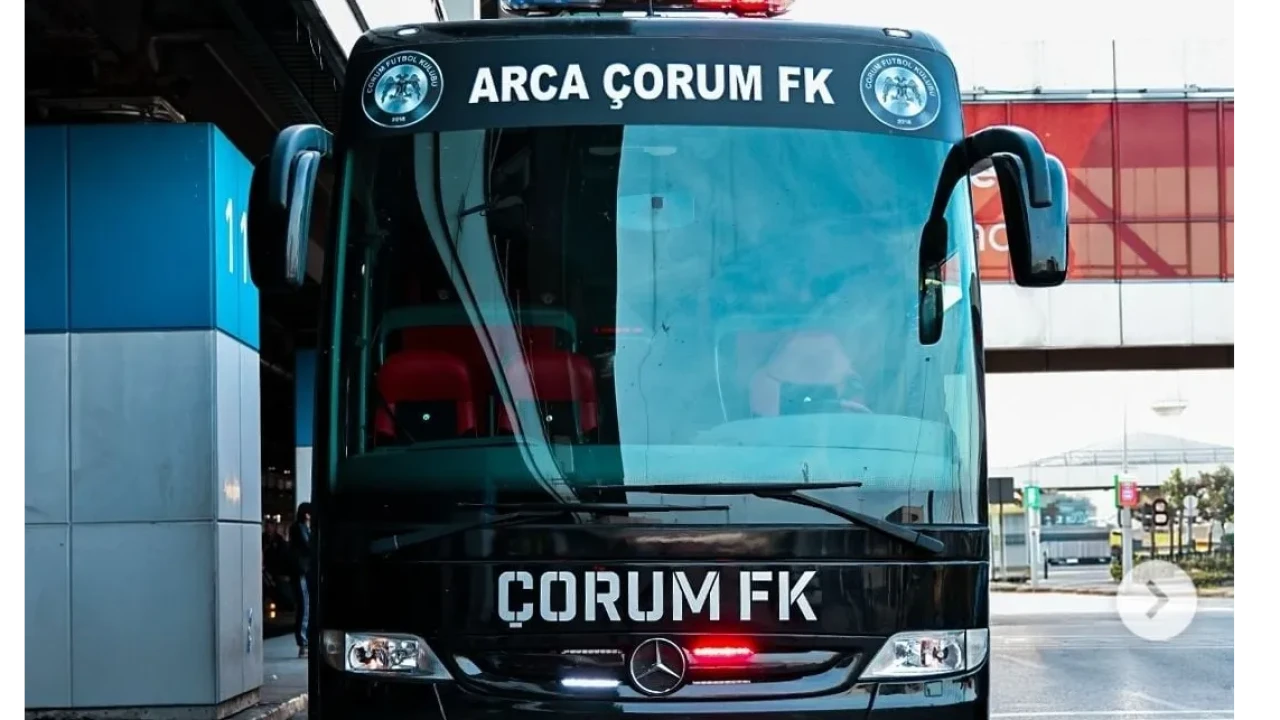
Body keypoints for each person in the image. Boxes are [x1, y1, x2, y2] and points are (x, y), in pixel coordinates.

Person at [288, 503, 313, 658]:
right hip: (301, 571)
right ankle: (303, 642)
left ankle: (304, 641)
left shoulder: (298, 528)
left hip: (302, 571)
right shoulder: (301, 528)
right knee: (304, 606)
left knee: (305, 606)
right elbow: (308, 545)